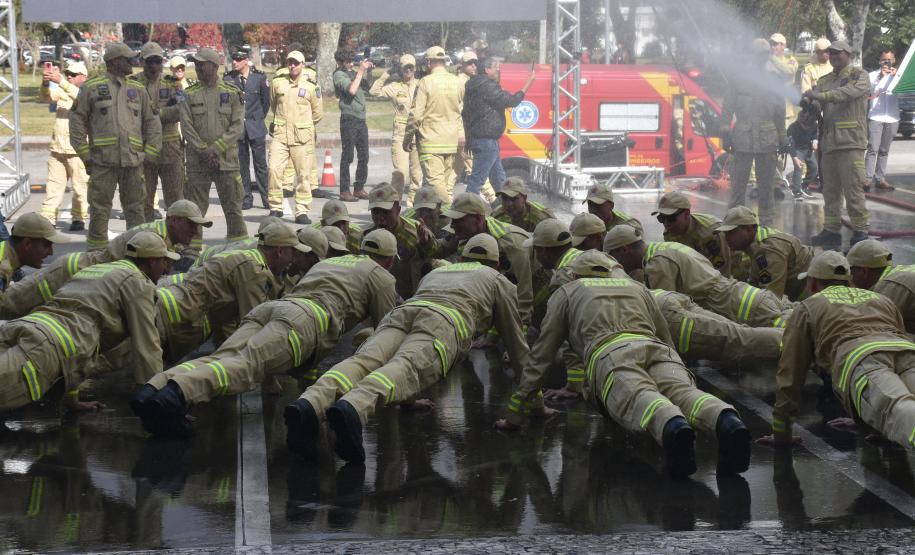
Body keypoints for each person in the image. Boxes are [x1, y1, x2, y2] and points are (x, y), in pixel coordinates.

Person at [498, 249, 751, 479]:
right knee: (686, 393)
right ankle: (727, 421)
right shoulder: (637, 288)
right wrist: (677, 368)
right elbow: (665, 336)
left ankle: (674, 429)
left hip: (611, 354)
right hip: (657, 349)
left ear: (574, 274)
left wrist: (515, 414)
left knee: (640, 397)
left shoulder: (568, 292)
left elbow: (541, 356)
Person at [286, 234, 530, 462]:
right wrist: (534, 402)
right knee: (405, 366)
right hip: (444, 321)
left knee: (362, 361)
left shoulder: (437, 273)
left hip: (403, 314)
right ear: (497, 264)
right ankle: (353, 407)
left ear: (463, 259)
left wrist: (409, 401)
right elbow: (517, 346)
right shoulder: (497, 280)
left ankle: (309, 403)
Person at [134, 229, 399, 438]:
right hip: (304, 320)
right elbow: (384, 337)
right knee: (247, 366)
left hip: (272, 309)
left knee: (221, 358)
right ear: (388, 260)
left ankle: (153, 388)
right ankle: (177, 393)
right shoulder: (381, 276)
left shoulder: (333, 263)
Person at [0, 232, 173, 416]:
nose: (166, 270)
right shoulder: (138, 282)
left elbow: (78, 349)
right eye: (164, 262)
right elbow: (148, 347)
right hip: (44, 347)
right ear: (152, 260)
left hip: (22, 327)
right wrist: (158, 400)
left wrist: (71, 399)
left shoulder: (96, 270)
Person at [759, 251, 915, 450]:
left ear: (813, 283)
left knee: (898, 408)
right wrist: (870, 422)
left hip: (863, 360)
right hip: (907, 353)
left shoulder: (808, 307)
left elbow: (790, 375)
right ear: (849, 281)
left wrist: (781, 434)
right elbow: (899, 334)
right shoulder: (880, 298)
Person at [1, 200, 209, 319]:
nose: (196, 231)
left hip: (83, 275)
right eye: (191, 224)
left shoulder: (165, 239)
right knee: (9, 306)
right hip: (69, 274)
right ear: (173, 220)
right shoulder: (152, 240)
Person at [156, 222, 303, 361]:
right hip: (168, 311)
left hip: (167, 304)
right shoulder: (255, 270)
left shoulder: (247, 258)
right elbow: (254, 324)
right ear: (280, 251)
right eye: (293, 252)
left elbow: (226, 321)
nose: (294, 259)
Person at [69, 42, 163, 251]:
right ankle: (96, 255)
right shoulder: (92, 87)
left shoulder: (137, 89)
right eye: (127, 58)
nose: (132, 62)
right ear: (113, 61)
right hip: (103, 162)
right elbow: (76, 121)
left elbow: (152, 123)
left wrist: (150, 152)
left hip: (133, 162)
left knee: (135, 211)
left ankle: (137, 254)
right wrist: (84, 154)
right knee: (100, 211)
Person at [604, 225, 790, 328]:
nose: (616, 263)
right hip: (747, 297)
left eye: (613, 256)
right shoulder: (665, 249)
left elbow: (666, 311)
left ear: (624, 249)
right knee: (796, 317)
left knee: (794, 333)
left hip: (741, 308)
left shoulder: (657, 263)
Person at [179, 48, 249, 249]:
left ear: (215, 65)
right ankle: (191, 252)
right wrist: (203, 150)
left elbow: (237, 126)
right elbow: (186, 125)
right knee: (194, 212)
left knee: (233, 208)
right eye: (196, 64)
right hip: (197, 163)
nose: (198, 67)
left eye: (202, 64)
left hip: (226, 161)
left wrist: (215, 149)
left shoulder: (232, 92)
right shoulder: (188, 94)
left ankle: (239, 250)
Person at [804, 40, 870, 250]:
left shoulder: (859, 76)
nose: (833, 56)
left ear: (848, 54)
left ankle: (860, 230)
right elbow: (817, 106)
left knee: (853, 189)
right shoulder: (824, 80)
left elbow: (845, 95)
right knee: (830, 191)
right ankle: (831, 231)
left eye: (838, 53)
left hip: (851, 142)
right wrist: (808, 106)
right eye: (830, 53)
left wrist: (819, 96)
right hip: (830, 144)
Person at [435, 192, 534, 325]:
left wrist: (505, 336)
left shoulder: (509, 244)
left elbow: (521, 296)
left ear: (478, 220)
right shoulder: (466, 232)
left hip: (538, 297)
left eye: (458, 220)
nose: (452, 225)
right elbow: (440, 249)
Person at [721, 38, 786, 226]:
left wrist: (782, 138)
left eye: (764, 55)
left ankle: (767, 224)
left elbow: (780, 112)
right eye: (759, 55)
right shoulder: (738, 78)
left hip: (767, 139)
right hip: (742, 139)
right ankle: (734, 222)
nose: (761, 59)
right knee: (738, 185)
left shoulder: (774, 80)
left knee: (766, 186)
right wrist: (725, 133)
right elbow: (727, 108)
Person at [463, 58, 535, 199]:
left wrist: (469, 137)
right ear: (486, 69)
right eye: (495, 67)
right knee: (477, 180)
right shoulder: (487, 85)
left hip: (484, 139)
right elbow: (511, 101)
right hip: (487, 140)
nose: (498, 70)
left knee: (499, 179)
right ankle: (466, 209)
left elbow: (465, 113)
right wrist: (528, 83)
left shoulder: (472, 85)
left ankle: (505, 206)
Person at [268, 50, 323, 223]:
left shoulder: (311, 87)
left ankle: (302, 211)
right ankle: (275, 207)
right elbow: (273, 105)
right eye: (290, 62)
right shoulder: (277, 84)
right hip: (280, 135)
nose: (292, 65)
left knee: (303, 175)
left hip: (301, 137)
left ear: (303, 64)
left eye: (296, 63)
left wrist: (304, 124)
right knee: (274, 169)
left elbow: (318, 113)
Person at [404, 46, 464, 204]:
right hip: (451, 141)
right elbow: (460, 111)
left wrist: (407, 137)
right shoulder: (456, 81)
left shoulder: (425, 82)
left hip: (430, 141)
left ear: (429, 62)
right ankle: (437, 220)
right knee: (442, 184)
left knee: (436, 185)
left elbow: (416, 115)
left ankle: (450, 214)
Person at [717, 206, 817, 301]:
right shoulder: (751, 245)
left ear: (748, 229)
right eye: (725, 233)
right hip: (796, 289)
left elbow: (772, 298)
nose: (726, 238)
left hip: (810, 294)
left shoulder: (769, 251)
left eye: (731, 232)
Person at [134, 42, 184, 223]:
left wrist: (159, 114)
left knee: (175, 200)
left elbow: (182, 109)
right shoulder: (133, 84)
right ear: (142, 62)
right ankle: (146, 242)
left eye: (157, 61)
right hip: (144, 150)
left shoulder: (173, 83)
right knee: (144, 199)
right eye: (150, 61)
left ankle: (175, 239)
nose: (154, 66)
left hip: (170, 149)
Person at [38, 59, 89, 231]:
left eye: (73, 75)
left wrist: (61, 81)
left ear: (84, 77)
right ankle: (48, 218)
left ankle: (78, 217)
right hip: (58, 149)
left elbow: (82, 99)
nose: (69, 77)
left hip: (78, 150)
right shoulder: (62, 90)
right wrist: (45, 83)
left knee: (80, 188)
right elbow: (45, 97)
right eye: (67, 74)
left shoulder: (87, 92)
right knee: (53, 186)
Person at [361, 183, 433, 299]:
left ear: (398, 210)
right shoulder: (368, 235)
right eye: (375, 212)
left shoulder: (416, 234)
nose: (380, 217)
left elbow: (423, 275)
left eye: (386, 212)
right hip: (379, 297)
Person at [369, 54, 422, 203]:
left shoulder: (421, 85)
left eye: (411, 67)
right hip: (400, 135)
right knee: (400, 173)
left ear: (415, 69)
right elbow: (373, 91)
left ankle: (412, 205)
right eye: (405, 67)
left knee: (417, 175)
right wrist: (387, 73)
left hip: (417, 134)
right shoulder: (395, 87)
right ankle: (394, 204)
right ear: (401, 69)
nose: (408, 70)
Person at [224, 49, 271, 210]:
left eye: (238, 59)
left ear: (246, 61)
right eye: (234, 59)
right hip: (238, 129)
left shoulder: (259, 78)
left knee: (261, 165)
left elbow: (266, 103)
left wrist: (257, 119)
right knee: (242, 166)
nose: (234, 62)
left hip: (255, 127)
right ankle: (246, 198)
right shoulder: (228, 79)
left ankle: (267, 198)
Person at [652, 191, 731, 274]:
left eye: (671, 218)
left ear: (686, 214)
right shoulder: (670, 233)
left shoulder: (712, 232)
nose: (666, 224)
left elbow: (723, 270)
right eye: (661, 218)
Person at [847, 240, 914, 335]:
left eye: (850, 272)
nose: (850, 278)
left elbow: (871, 328)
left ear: (864, 272)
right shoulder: (902, 272)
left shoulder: (888, 287)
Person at [333, 48, 372, 202]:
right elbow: (352, 90)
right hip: (349, 119)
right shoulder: (339, 75)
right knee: (348, 156)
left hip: (361, 119)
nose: (350, 64)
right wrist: (361, 71)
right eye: (347, 62)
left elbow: (368, 85)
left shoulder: (352, 73)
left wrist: (368, 70)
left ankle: (359, 187)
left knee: (364, 155)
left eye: (351, 61)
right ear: (339, 62)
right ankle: (344, 190)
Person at [0, 213, 68, 297]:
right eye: (46, 245)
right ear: (27, 244)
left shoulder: (4, 250)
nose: (51, 252)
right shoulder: (3, 268)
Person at [865, 49, 899, 192]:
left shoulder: (898, 75)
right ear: (880, 61)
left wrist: (896, 76)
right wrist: (880, 76)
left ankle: (880, 179)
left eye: (889, 60)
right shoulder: (872, 75)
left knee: (884, 150)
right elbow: (869, 92)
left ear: (894, 60)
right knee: (873, 148)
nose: (887, 62)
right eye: (884, 60)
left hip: (892, 116)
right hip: (876, 116)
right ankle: (867, 179)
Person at [786, 104, 818, 201]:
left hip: (808, 149)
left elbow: (814, 134)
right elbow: (790, 144)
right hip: (797, 149)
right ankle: (797, 191)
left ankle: (803, 186)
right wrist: (795, 157)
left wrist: (815, 141)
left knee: (814, 168)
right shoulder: (792, 128)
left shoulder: (813, 124)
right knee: (798, 168)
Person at [768, 33, 799, 127]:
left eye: (775, 44)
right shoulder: (766, 61)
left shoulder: (791, 61)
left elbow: (789, 70)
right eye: (771, 44)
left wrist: (772, 58)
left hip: (786, 112)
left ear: (783, 45)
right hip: (770, 111)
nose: (772, 47)